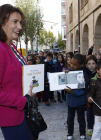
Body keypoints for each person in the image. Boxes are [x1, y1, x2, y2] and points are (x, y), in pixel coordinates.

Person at [0, 4, 36, 140]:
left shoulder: (12, 46)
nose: (20, 27)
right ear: (2, 22)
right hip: (11, 117)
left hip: (22, 114)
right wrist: (24, 100)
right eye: (15, 22)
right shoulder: (0, 49)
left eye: (20, 22)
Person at [64, 54, 88, 140]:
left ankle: (82, 134)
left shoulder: (83, 75)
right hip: (70, 101)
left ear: (80, 65)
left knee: (81, 119)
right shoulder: (68, 71)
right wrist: (65, 74)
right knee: (70, 119)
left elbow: (83, 91)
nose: (71, 66)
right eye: (71, 63)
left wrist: (73, 92)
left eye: (74, 64)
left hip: (80, 101)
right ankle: (70, 133)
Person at [83, 55, 97, 136]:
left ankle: (97, 126)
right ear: (86, 65)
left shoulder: (98, 73)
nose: (91, 66)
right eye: (89, 64)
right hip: (88, 96)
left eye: (93, 63)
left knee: (98, 112)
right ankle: (90, 127)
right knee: (89, 112)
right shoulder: (84, 73)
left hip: (98, 96)